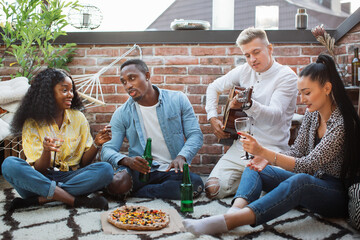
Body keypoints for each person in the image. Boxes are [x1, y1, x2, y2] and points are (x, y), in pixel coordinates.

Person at [183, 54, 360, 236]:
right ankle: (234, 212)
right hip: (311, 179)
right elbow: (297, 151)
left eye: (307, 93)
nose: (302, 99)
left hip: (334, 193)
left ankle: (230, 222)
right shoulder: (312, 115)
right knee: (253, 166)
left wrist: (265, 152)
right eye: (300, 93)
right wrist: (264, 158)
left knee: (301, 180)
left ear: (327, 88)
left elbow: (308, 164)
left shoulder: (342, 124)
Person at [205, 27, 298, 199]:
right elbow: (213, 88)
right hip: (241, 149)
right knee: (212, 189)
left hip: (270, 151)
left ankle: (254, 184)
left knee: (276, 194)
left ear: (269, 49)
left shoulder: (287, 76)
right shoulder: (244, 70)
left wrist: (247, 104)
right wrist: (212, 117)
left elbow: (274, 115)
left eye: (256, 52)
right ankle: (252, 183)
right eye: (247, 55)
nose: (252, 60)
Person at [1, 68, 114, 210]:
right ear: (49, 93)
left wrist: (97, 144)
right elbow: (39, 170)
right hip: (39, 179)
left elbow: (84, 163)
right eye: (64, 90)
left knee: (106, 169)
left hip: (70, 176)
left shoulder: (78, 118)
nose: (71, 95)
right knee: (9, 164)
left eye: (72, 90)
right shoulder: (33, 122)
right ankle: (76, 201)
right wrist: (46, 151)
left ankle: (41, 199)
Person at [101, 59, 204, 200]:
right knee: (117, 183)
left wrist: (182, 156)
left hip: (170, 170)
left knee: (196, 184)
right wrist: (127, 161)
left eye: (132, 78)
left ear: (147, 76)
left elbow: (195, 135)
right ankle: (157, 190)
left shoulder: (177, 100)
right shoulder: (122, 113)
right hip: (140, 172)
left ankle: (141, 192)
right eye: (124, 82)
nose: (128, 85)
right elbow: (107, 150)